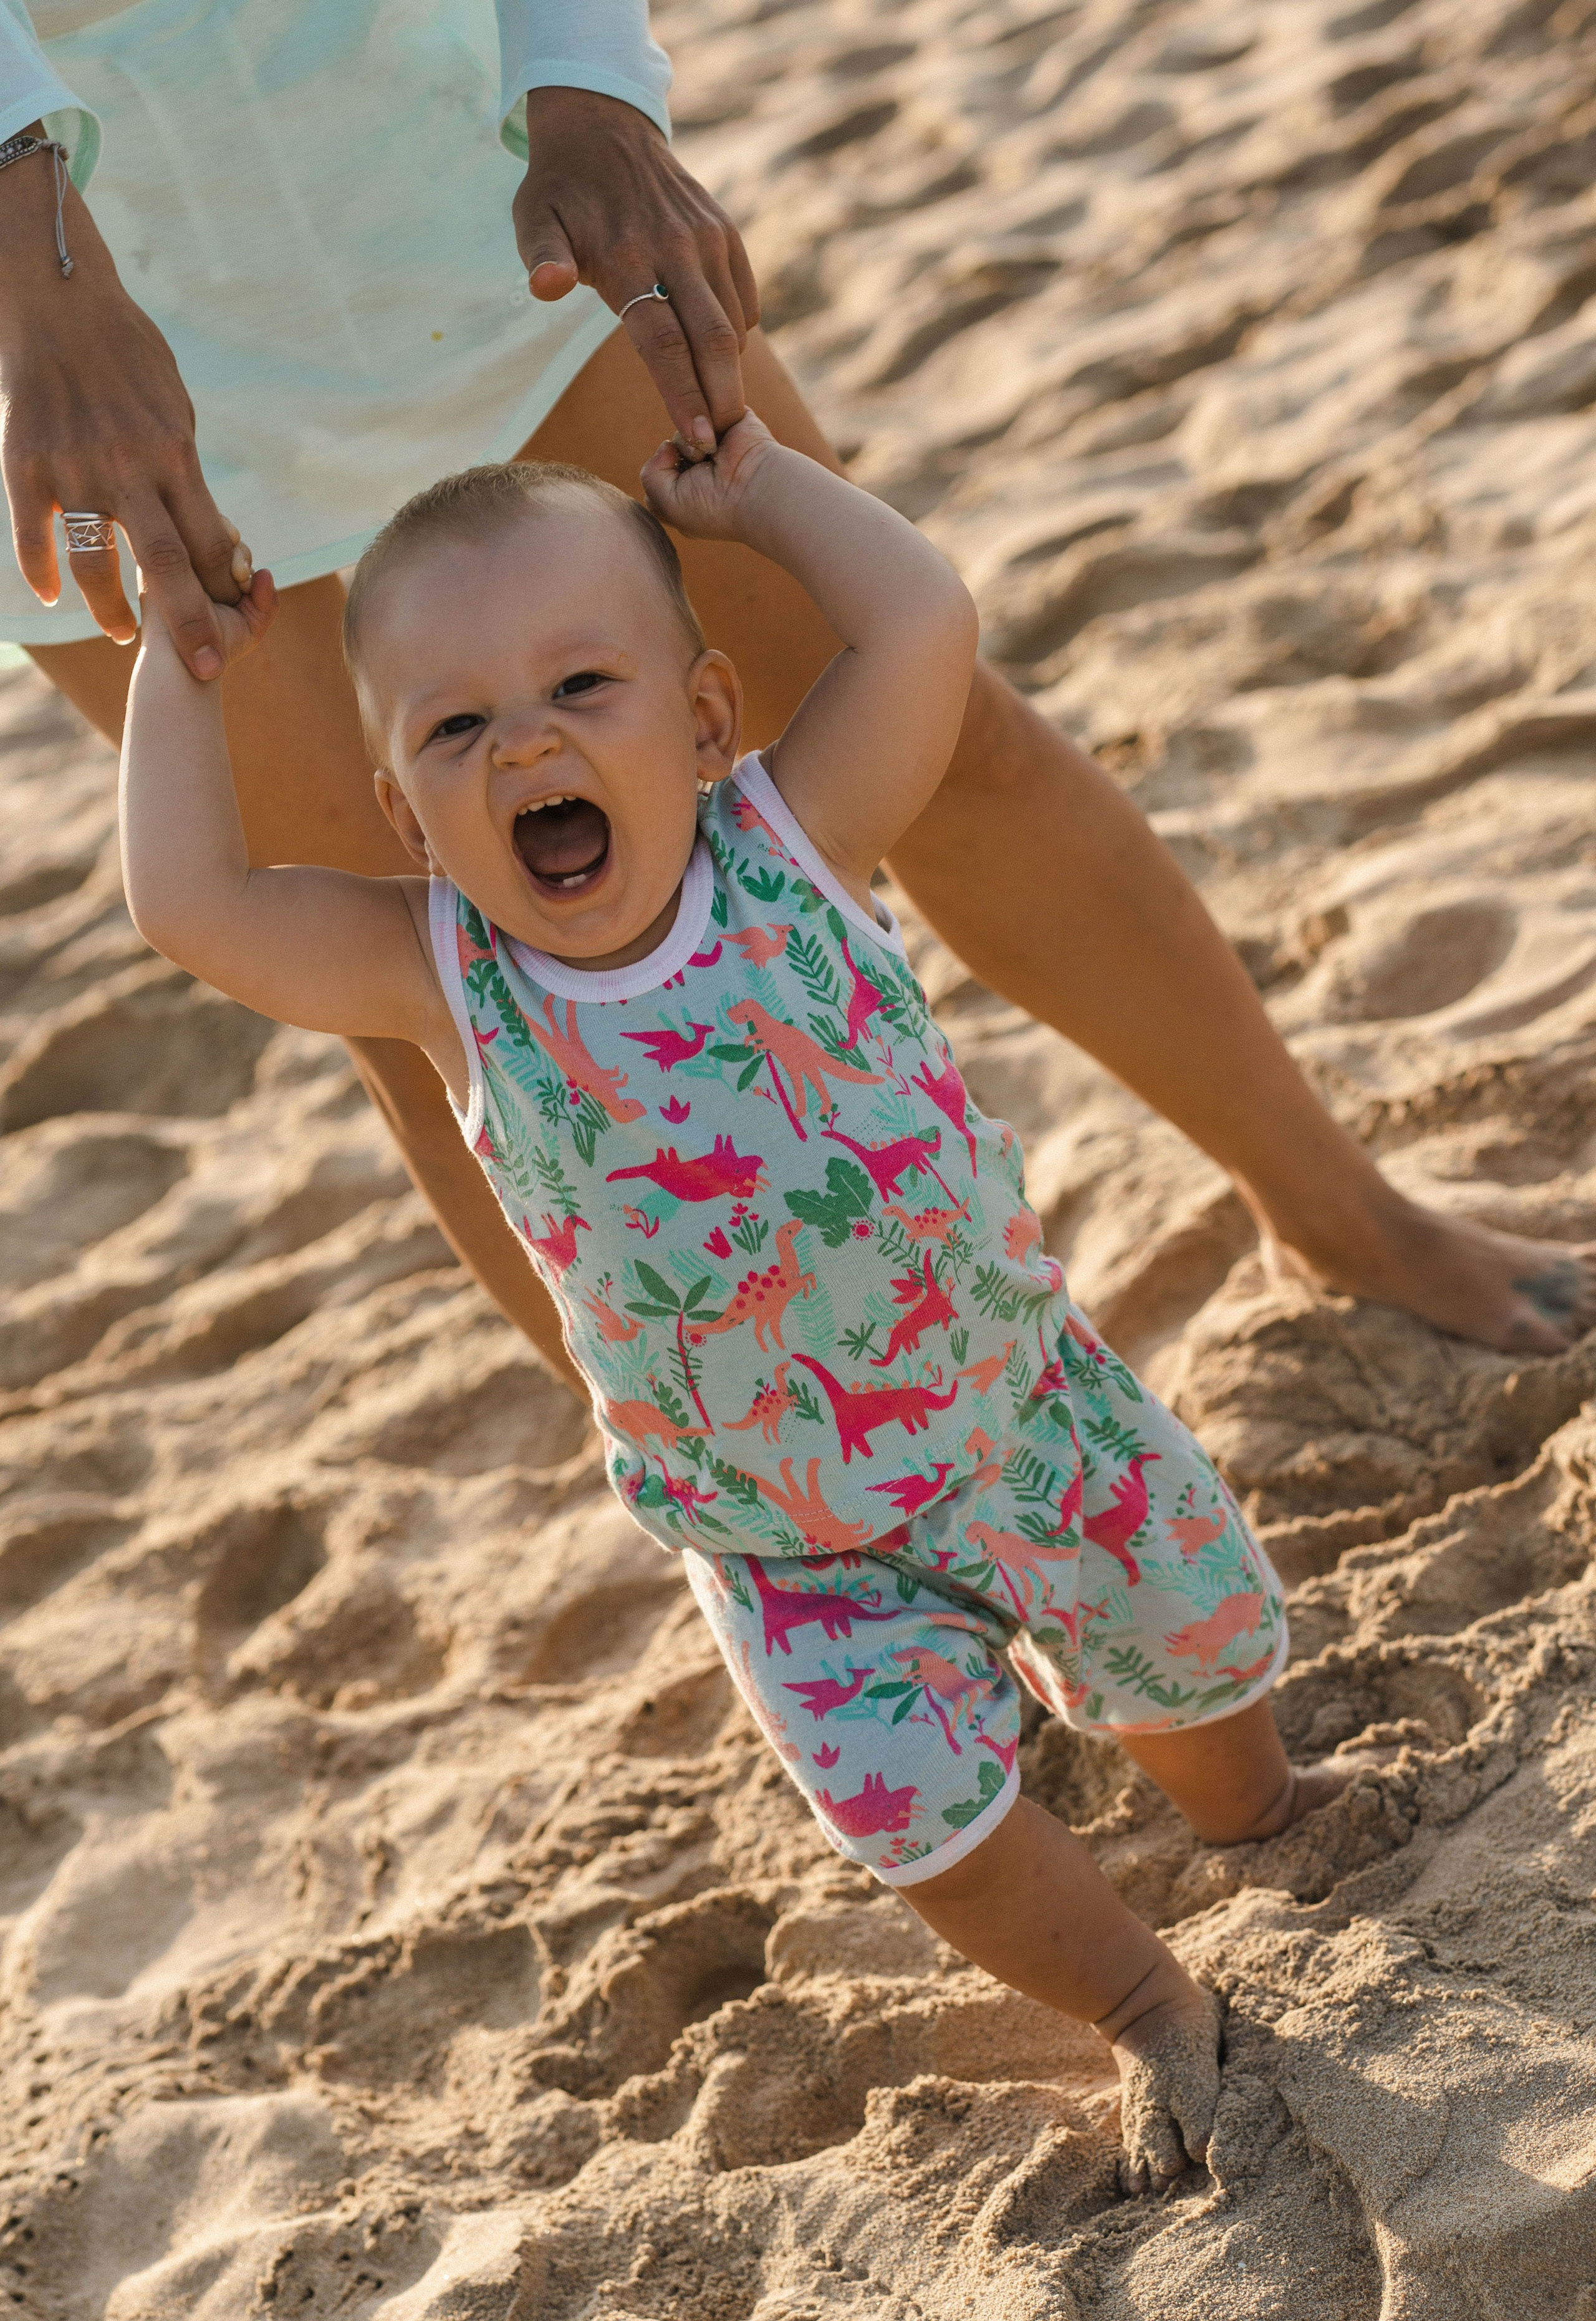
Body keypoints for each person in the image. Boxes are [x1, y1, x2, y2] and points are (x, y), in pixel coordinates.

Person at [117, 409, 1372, 2188]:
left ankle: (1258, 1809)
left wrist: (763, 492)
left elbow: (924, 623)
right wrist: (182, 667)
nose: (529, 740)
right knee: (932, 1833)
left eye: (580, 685)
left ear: (704, 720)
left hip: (1022, 1410)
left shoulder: (792, 838)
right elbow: (189, 900)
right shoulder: (437, 975)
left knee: (1197, 1660)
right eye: (460, 726)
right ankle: (1144, 1996)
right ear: (404, 808)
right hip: (790, 1544)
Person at [2, 2, 1592, 1387]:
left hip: (424, 163)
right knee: (425, 974)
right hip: (48, 316)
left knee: (930, 727)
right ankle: (753, 1508)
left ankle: (1335, 1214)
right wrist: (38, 275)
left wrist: (585, 82)